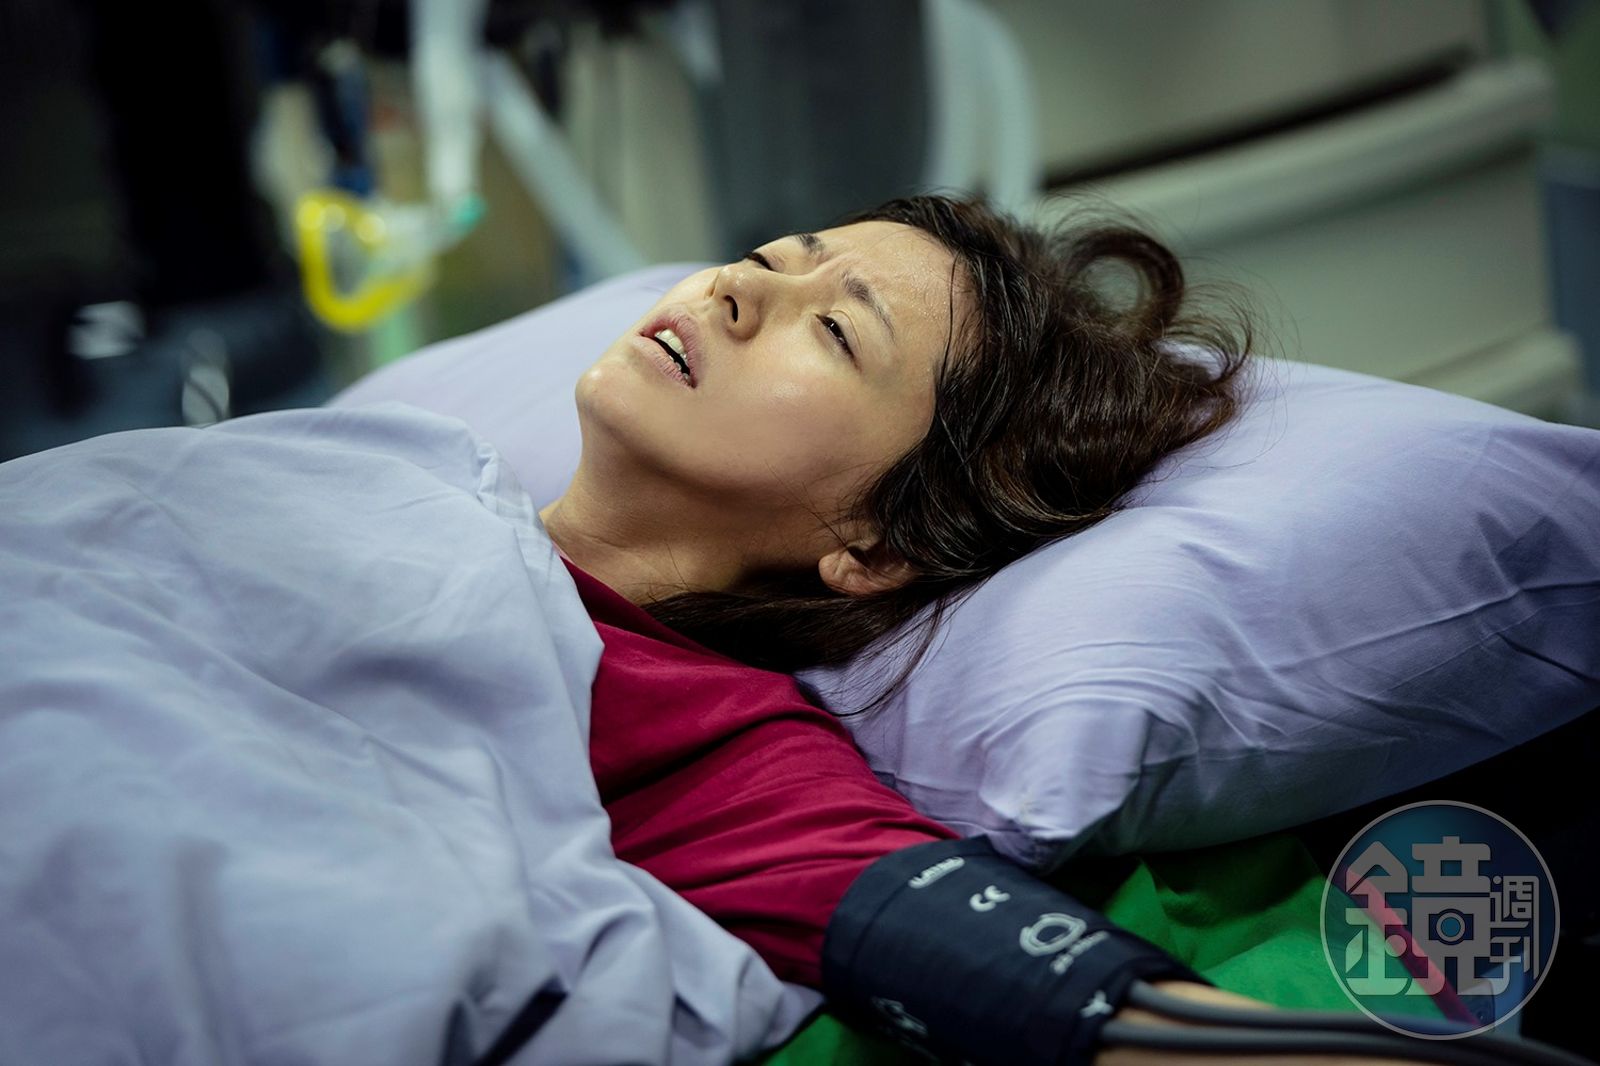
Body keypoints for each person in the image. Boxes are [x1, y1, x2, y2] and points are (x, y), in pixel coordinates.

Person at [534, 195, 1436, 1065]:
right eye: (767, 258)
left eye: (837, 331)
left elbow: (1055, 990)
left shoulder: (701, 734)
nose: (737, 287)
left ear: (877, 542)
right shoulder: (447, 479)